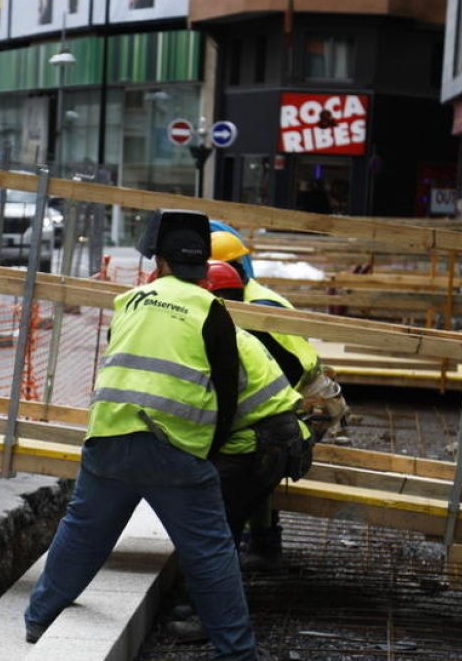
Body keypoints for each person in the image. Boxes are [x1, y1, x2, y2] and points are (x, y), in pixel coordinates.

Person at [24, 210, 258, 659]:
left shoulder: (129, 302)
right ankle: (237, 653)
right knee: (210, 552)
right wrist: (206, 452)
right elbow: (227, 394)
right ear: (202, 267)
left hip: (108, 439)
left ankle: (39, 617)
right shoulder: (211, 310)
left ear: (160, 263)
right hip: (175, 453)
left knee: (84, 531)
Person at [165, 261, 315, 644]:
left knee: (212, 527)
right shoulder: (234, 332)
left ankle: (211, 618)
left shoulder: (213, 339)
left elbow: (213, 412)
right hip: (279, 439)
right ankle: (215, 601)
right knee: (225, 522)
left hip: (260, 444)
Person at [210, 231, 348, 571]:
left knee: (256, 459)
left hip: (311, 400)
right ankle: (259, 542)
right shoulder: (252, 296)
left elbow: (276, 376)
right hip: (310, 393)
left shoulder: (250, 311)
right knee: (257, 460)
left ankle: (262, 546)